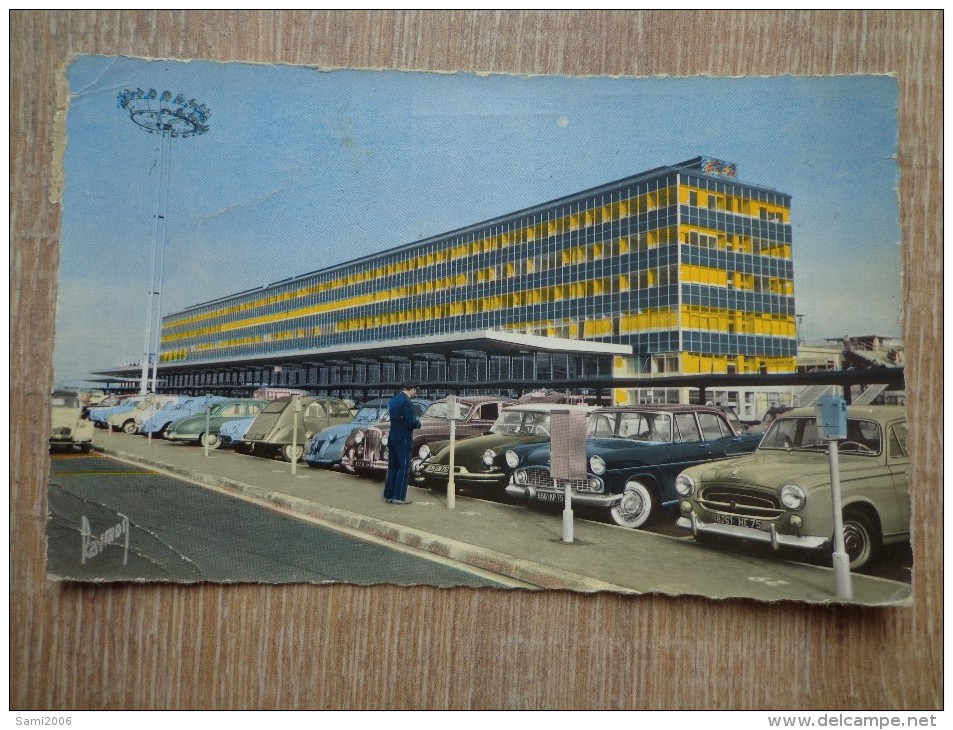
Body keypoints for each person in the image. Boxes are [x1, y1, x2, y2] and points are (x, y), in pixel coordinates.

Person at [383, 381, 422, 505]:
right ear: (413, 389)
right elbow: (411, 423)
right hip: (403, 438)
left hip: (392, 436)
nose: (416, 393)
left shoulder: (393, 401)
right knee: (403, 467)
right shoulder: (407, 403)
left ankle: (388, 495)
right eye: (416, 390)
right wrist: (419, 423)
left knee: (392, 467)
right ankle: (399, 497)